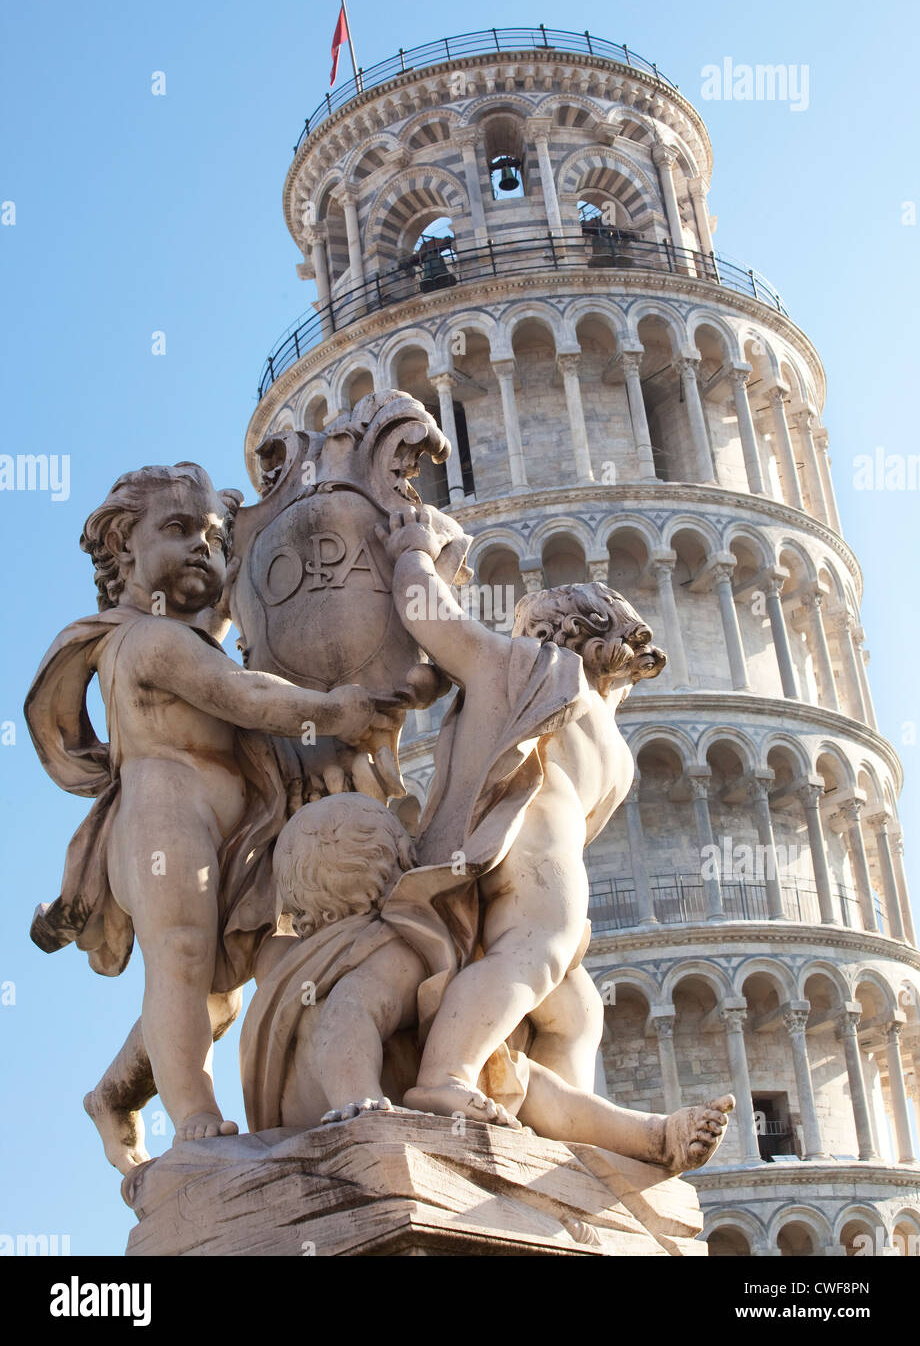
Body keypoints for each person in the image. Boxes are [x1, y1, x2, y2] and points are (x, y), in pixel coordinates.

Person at [26, 462, 392, 1169]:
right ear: (124, 548)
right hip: (166, 821)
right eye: (178, 529)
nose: (202, 545)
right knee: (184, 960)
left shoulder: (190, 634)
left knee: (225, 988)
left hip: (240, 828)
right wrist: (334, 710)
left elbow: (222, 638)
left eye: (214, 536)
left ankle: (114, 1095)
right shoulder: (145, 641)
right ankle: (194, 1112)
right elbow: (246, 698)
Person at [241, 792, 735, 1176]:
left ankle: (656, 1137)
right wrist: (359, 1102)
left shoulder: (294, 960)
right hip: (342, 1101)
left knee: (514, 1075)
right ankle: (652, 1136)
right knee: (529, 1085)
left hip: (305, 1110)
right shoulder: (388, 947)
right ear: (394, 867)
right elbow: (348, 1014)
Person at [375, 507, 670, 1126]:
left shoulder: (588, 714)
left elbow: (435, 619)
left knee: (577, 1010)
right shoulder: (541, 674)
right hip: (534, 853)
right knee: (535, 953)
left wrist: (415, 557)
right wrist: (412, 554)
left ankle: (559, 1128)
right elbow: (437, 621)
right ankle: (445, 1076)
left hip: (539, 860)